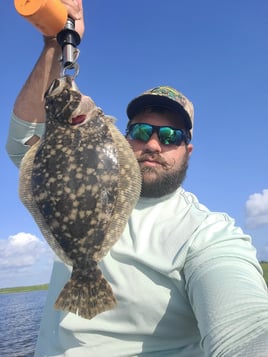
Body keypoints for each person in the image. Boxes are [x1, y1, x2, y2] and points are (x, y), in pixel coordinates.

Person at [6, 1, 268, 356]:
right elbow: (23, 140)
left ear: (188, 151)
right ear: (125, 136)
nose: (154, 144)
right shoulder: (75, 152)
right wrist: (56, 43)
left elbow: (247, 329)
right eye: (143, 130)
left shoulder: (208, 235)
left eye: (172, 136)